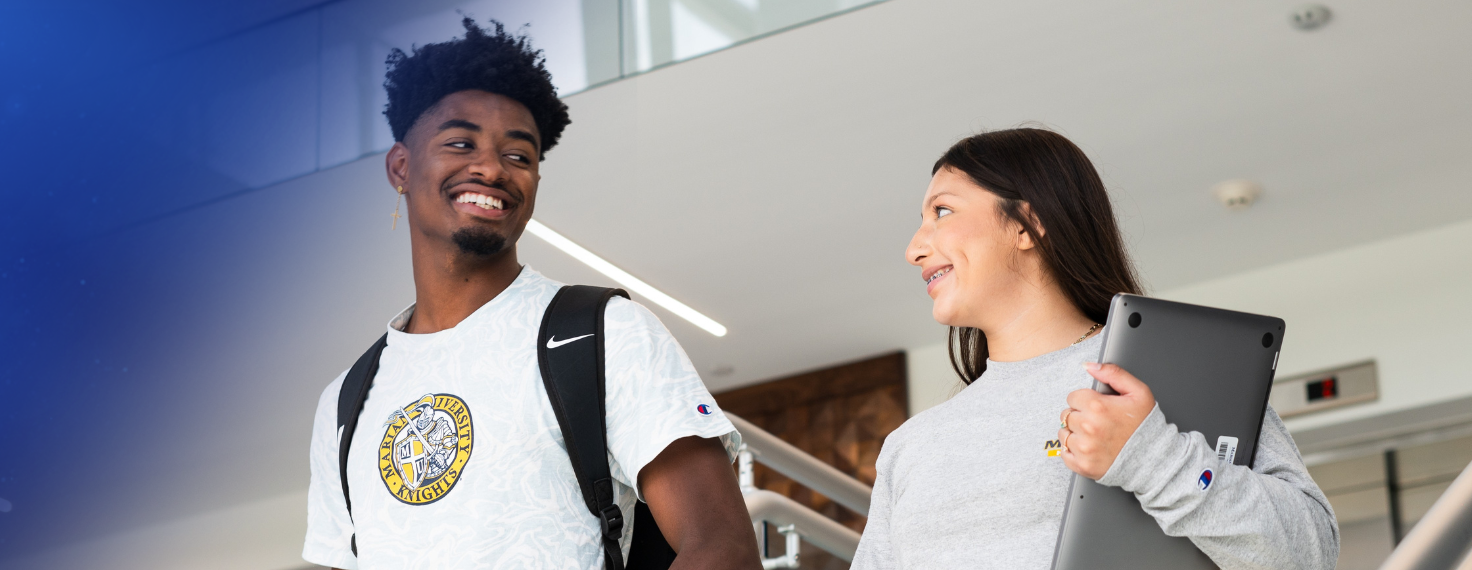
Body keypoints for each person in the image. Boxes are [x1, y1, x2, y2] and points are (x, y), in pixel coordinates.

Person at [301, 19, 760, 570]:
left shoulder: (602, 334)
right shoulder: (347, 401)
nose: (492, 168)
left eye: (519, 156)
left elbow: (721, 548)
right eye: (461, 143)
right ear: (401, 167)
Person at [853, 128, 1338, 569]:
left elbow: (1310, 553)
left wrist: (1157, 459)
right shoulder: (908, 448)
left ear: (1026, 223)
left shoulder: (1162, 372)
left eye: (942, 211)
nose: (914, 248)